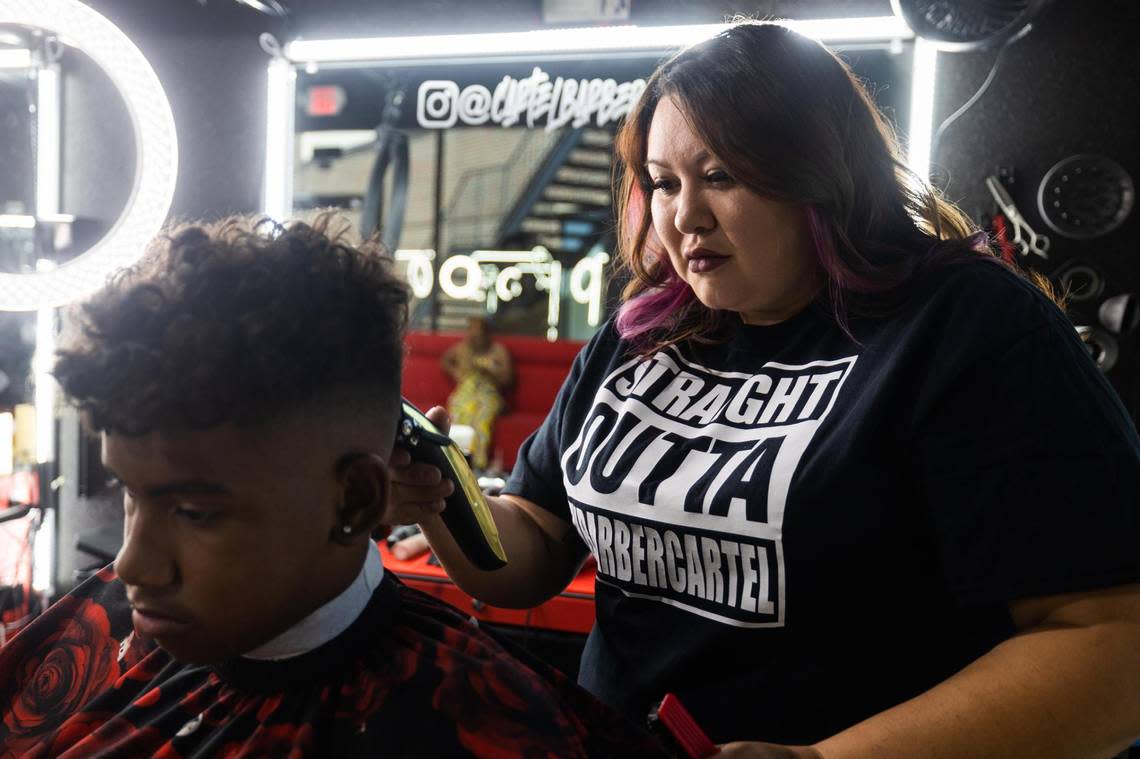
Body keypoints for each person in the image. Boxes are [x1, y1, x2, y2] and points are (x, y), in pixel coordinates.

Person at [388, 20, 1140, 758]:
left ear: (819, 171)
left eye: (721, 176)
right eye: (663, 182)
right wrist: (439, 486)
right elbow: (538, 538)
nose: (684, 217)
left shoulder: (964, 324)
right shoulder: (642, 332)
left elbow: (1110, 647)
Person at [0, 215, 664, 757]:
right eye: (129, 492)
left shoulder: (477, 724)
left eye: (196, 511)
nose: (130, 563)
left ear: (354, 501)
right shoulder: (106, 632)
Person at [441, 316, 514, 470]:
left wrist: (490, 372)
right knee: (460, 411)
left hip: (488, 393)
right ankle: (456, 461)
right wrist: (457, 372)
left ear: (487, 333)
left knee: (482, 417)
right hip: (466, 393)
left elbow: (508, 379)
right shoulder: (462, 348)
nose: (475, 337)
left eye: (480, 333)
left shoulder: (498, 351)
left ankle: (477, 464)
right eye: (472, 333)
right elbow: (445, 361)